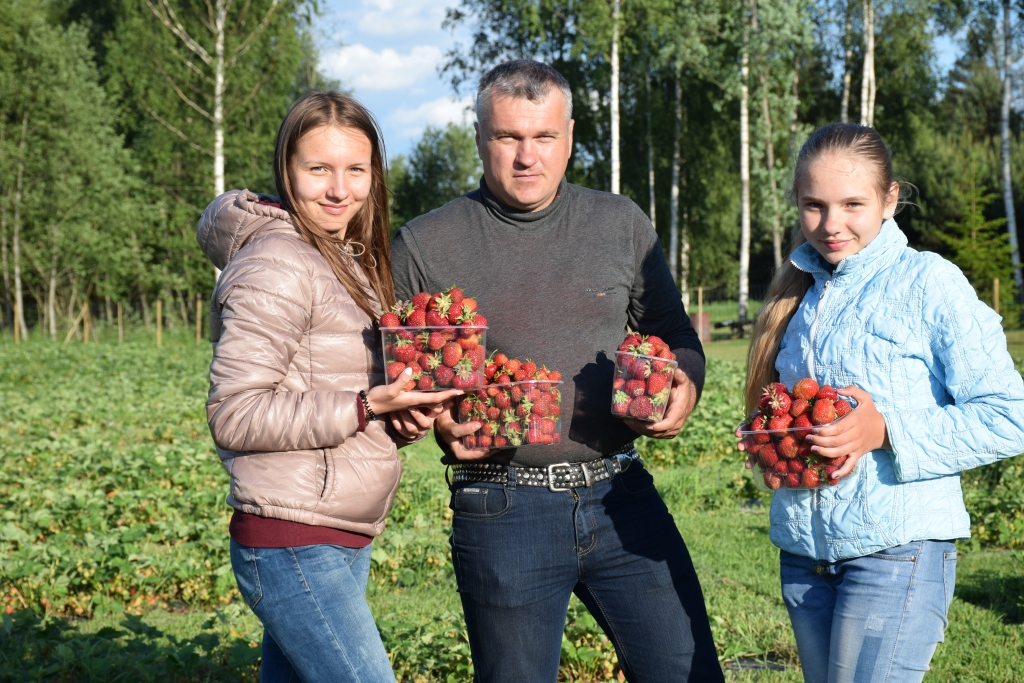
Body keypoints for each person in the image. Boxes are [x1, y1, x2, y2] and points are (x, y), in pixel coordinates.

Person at [391, 60, 724, 682]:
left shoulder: (619, 222)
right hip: (500, 502)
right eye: (507, 137)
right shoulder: (424, 244)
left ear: (569, 136)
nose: (526, 156)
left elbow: (675, 334)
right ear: (480, 137)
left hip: (622, 495)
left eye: (543, 137)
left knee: (688, 671)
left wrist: (684, 384)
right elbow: (390, 372)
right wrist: (434, 417)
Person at [740, 122, 1024, 682]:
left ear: (889, 199)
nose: (832, 224)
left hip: (896, 552)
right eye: (813, 205)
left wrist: (885, 430)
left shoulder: (927, 283)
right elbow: (795, 415)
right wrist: (773, 440)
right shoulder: (799, 294)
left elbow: (1008, 416)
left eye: (853, 203)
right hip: (804, 555)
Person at [196, 91, 460, 683]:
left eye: (355, 170)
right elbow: (236, 414)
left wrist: (396, 416)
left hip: (333, 530)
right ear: (287, 172)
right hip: (293, 539)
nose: (340, 189)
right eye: (319, 169)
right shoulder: (277, 264)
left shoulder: (342, 258)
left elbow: (329, 385)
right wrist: (367, 403)